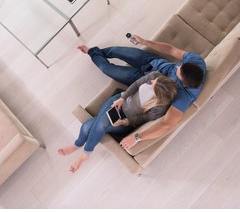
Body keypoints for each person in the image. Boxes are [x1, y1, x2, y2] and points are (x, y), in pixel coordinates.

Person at [76, 34, 206, 151]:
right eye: (180, 65)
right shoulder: (196, 62)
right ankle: (94, 52)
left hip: (141, 81)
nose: (177, 66)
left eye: (179, 70)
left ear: (183, 83)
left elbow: (166, 125)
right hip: (150, 62)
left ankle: (92, 53)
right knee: (116, 50)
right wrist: (145, 42)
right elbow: (171, 50)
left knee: (107, 68)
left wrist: (137, 138)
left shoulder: (185, 96)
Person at [58, 71, 177, 173]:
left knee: (91, 125)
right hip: (118, 101)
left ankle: (81, 150)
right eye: (153, 81)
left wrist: (124, 122)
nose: (151, 82)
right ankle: (82, 150)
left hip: (127, 120)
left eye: (153, 85)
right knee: (94, 125)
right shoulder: (155, 76)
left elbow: (143, 118)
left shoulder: (160, 107)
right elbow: (135, 85)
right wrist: (122, 98)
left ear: (157, 93)